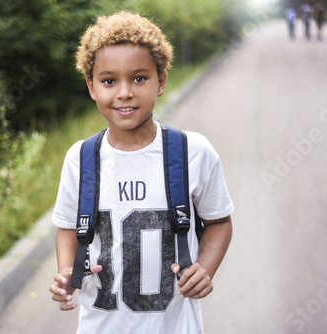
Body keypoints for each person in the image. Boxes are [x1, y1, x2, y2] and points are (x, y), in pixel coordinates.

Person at [49, 11, 234, 333]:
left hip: (175, 326)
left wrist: (205, 269)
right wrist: (67, 272)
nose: (124, 93)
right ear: (91, 87)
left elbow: (218, 222)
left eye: (139, 78)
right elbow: (67, 227)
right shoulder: (80, 158)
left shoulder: (193, 152)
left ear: (161, 81)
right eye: (109, 81)